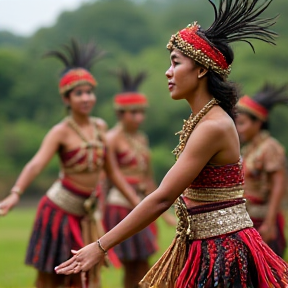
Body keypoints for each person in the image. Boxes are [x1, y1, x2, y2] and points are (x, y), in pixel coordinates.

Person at [55, 0, 288, 287]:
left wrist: (100, 246)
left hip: (222, 250)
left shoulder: (212, 126)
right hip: (207, 245)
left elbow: (163, 197)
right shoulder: (205, 120)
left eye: (176, 63)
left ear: (201, 70)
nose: (168, 72)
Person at [0, 39, 140, 288]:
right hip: (58, 212)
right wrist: (15, 193)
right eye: (79, 93)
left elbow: (113, 172)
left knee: (86, 277)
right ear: (66, 99)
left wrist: (139, 205)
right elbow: (36, 164)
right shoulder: (61, 132)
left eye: (89, 92)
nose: (86, 98)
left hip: (86, 215)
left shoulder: (100, 127)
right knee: (50, 278)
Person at [104, 67, 176, 288]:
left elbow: (148, 178)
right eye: (133, 112)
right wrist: (138, 204)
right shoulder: (111, 138)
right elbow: (113, 175)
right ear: (120, 113)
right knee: (131, 265)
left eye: (141, 112)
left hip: (142, 203)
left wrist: (165, 214)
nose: (139, 117)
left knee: (144, 264)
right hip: (121, 205)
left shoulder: (142, 138)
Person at [236, 83, 288, 257]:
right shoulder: (248, 149)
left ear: (258, 122)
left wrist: (270, 222)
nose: (238, 129)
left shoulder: (270, 147)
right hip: (249, 219)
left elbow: (279, 185)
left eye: (242, 123)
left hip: (264, 219)